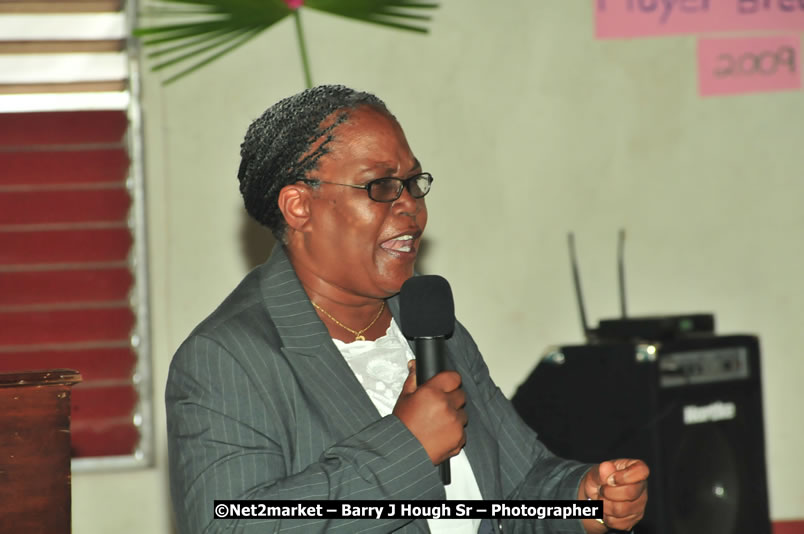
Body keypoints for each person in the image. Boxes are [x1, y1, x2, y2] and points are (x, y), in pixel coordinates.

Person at [166, 85, 649, 534]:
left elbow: (517, 485)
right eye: (380, 186)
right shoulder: (227, 357)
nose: (411, 207)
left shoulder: (428, 321)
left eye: (413, 182)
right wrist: (409, 447)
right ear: (299, 207)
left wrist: (584, 500)